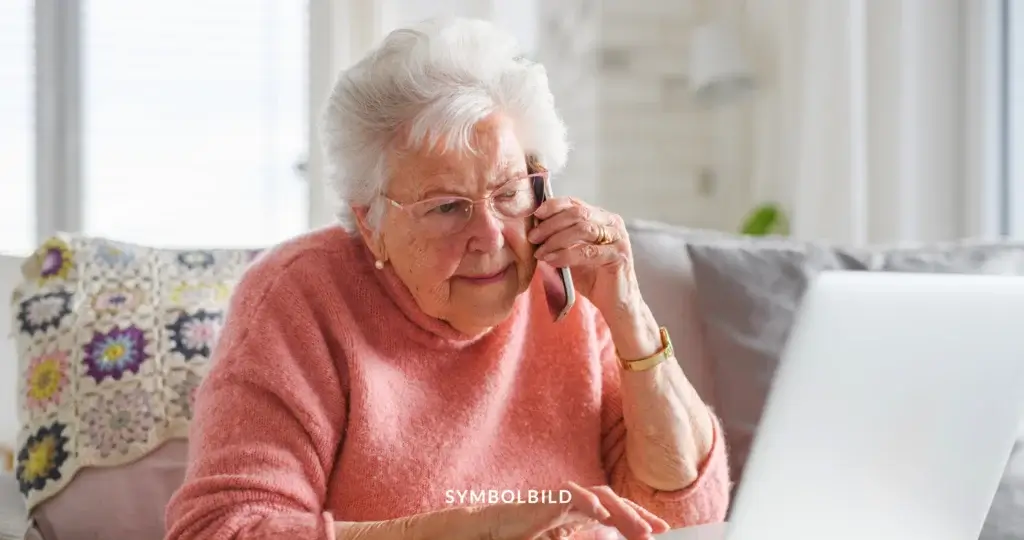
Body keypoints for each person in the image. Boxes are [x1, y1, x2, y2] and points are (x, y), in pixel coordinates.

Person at [164, 17, 729, 540]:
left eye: (508, 194)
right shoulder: (298, 301)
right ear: (372, 222)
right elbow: (223, 528)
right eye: (446, 207)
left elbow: (682, 518)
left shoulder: (566, 287)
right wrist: (468, 531)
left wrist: (629, 315)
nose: (490, 236)